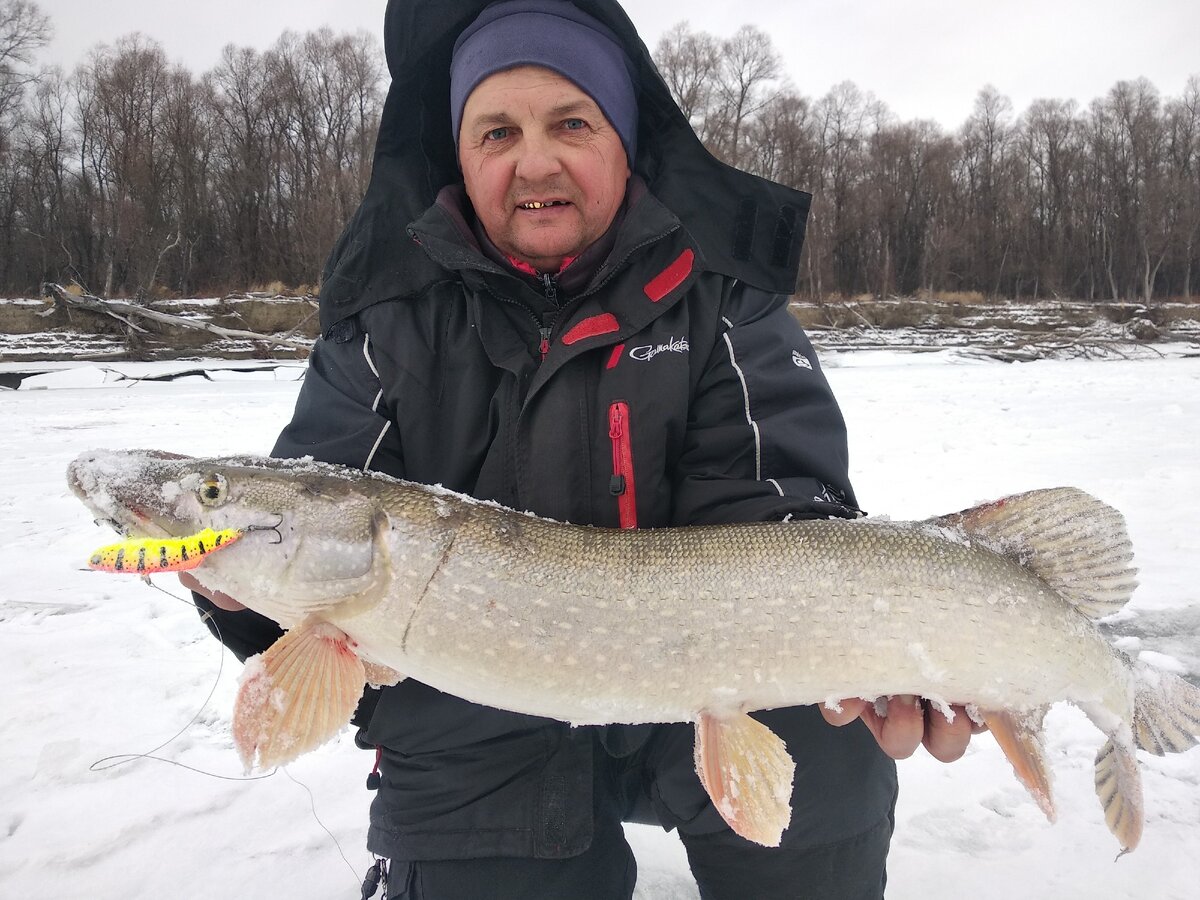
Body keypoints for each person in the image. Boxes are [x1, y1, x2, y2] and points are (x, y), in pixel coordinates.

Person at [185, 2, 980, 897]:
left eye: (570, 122)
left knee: (824, 754)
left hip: (707, 674)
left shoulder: (723, 303)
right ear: (460, 153)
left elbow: (777, 517)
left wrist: (898, 655)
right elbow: (318, 536)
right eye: (496, 132)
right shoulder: (384, 323)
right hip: (470, 713)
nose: (535, 162)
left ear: (623, 137)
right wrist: (240, 596)